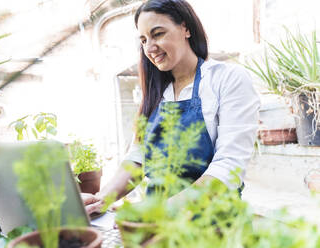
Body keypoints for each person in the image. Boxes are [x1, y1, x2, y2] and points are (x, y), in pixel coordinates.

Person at [83, 0, 260, 215]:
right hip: (156, 224)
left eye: (158, 34)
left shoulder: (226, 79)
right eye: (143, 39)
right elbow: (138, 158)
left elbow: (228, 168)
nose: (149, 47)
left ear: (185, 28)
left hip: (213, 221)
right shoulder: (157, 92)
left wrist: (157, 212)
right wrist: (102, 199)